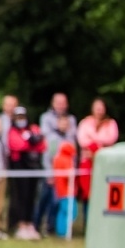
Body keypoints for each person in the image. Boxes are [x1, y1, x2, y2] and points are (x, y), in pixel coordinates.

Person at [37, 94, 76, 234]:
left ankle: (52, 227)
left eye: (63, 102)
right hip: (52, 172)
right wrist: (50, 172)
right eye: (58, 102)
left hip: (65, 174)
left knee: (58, 201)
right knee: (45, 199)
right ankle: (38, 225)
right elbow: (48, 154)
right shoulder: (50, 133)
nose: (60, 105)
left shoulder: (71, 127)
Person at [6, 107, 46, 239]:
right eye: (18, 118)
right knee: (20, 197)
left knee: (31, 196)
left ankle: (30, 224)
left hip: (33, 167)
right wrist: (31, 142)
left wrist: (33, 141)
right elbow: (17, 145)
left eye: (23, 117)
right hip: (19, 167)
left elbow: (42, 145)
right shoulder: (12, 131)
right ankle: (20, 224)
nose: (21, 120)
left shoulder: (33, 128)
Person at [76, 97, 118, 212]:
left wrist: (93, 139)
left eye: (101, 107)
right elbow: (82, 140)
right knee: (87, 193)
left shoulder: (110, 123)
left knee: (102, 192)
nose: (99, 110)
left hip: (104, 163)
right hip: (87, 163)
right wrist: (99, 143)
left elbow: (111, 138)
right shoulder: (85, 122)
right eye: (97, 107)